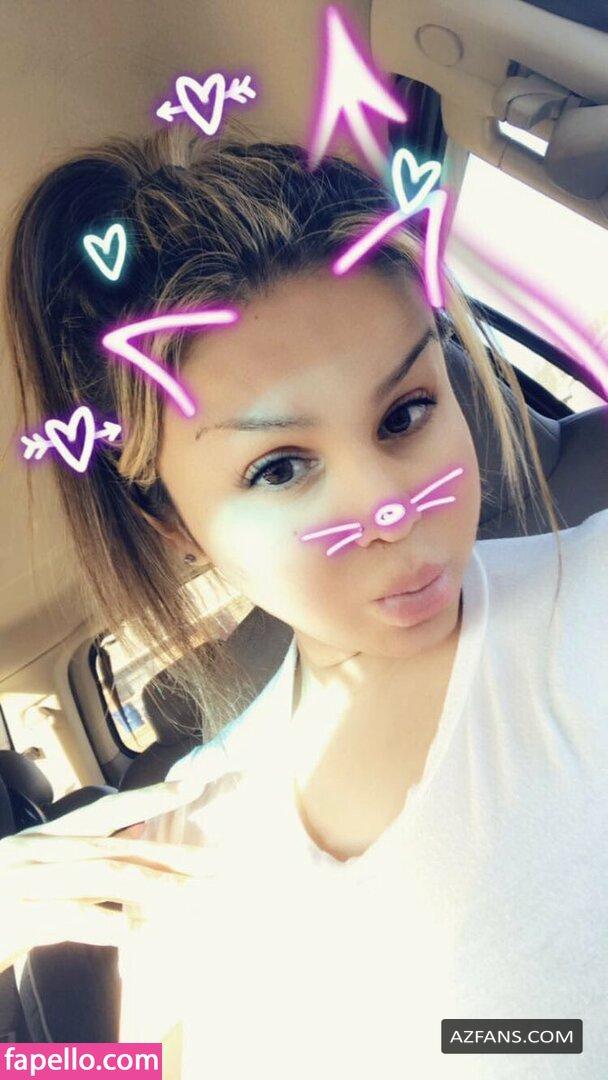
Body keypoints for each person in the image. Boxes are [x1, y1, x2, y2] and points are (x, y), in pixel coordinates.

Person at [1, 122, 606, 1078]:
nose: (391, 510)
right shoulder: (186, 826)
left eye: (406, 413)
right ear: (177, 526)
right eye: (281, 468)